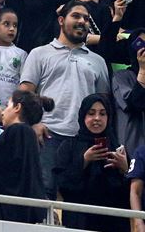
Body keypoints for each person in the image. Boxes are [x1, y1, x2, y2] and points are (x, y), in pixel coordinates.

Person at [20, 0, 111, 200]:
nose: (82, 22)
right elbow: (25, 93)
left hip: (85, 141)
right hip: (48, 136)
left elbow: (103, 103)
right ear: (61, 20)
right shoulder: (39, 53)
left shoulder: (99, 61)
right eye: (76, 16)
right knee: (44, 194)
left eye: (86, 19)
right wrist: (34, 123)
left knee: (83, 198)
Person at [0, 90, 52, 223]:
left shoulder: (17, 131)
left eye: (7, 106)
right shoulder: (25, 133)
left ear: (17, 107)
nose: (3, 112)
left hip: (10, 213)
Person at [54, 94, 129, 232]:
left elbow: (132, 193)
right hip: (79, 221)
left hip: (114, 222)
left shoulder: (118, 149)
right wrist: (84, 161)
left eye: (102, 114)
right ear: (83, 116)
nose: (97, 118)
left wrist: (125, 169)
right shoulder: (69, 146)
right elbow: (61, 184)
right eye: (91, 113)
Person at [112, 31, 145, 152]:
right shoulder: (121, 77)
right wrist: (143, 69)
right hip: (131, 148)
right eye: (141, 44)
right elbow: (136, 103)